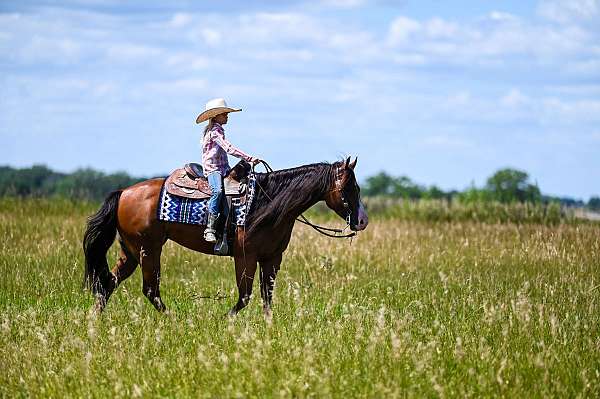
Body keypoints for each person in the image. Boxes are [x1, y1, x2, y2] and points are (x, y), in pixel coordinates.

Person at [196, 98, 261, 243]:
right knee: (217, 191)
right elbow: (228, 148)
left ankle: (229, 225)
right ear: (216, 116)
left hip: (223, 169)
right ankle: (210, 229)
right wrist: (248, 158)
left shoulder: (218, 129)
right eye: (224, 114)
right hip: (214, 169)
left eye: (226, 113)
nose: (227, 116)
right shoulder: (214, 131)